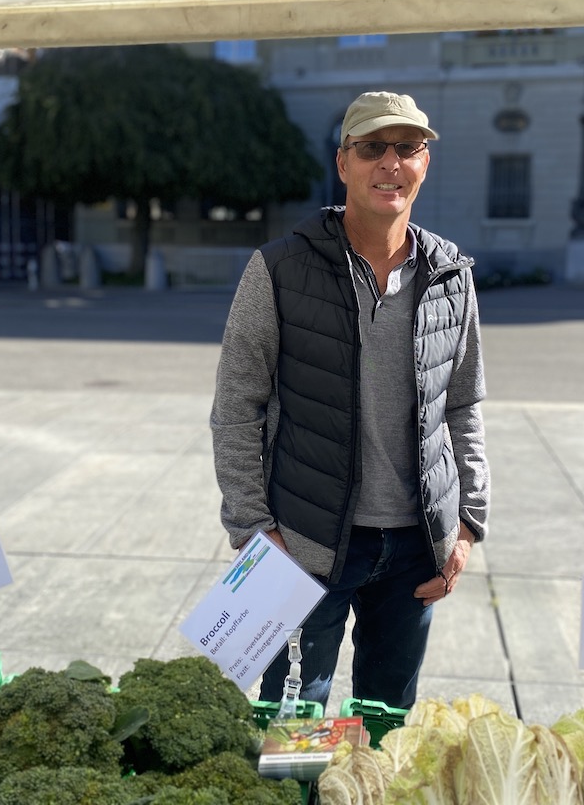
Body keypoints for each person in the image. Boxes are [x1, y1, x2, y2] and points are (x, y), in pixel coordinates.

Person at [210, 90, 489, 712]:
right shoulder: (279, 269)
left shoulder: (451, 275)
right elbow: (236, 407)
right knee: (289, 721)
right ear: (343, 163)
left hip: (415, 550)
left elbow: (464, 405)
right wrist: (254, 529)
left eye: (407, 148)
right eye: (371, 149)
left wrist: (467, 525)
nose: (390, 163)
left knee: (386, 725)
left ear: (424, 163)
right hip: (305, 546)